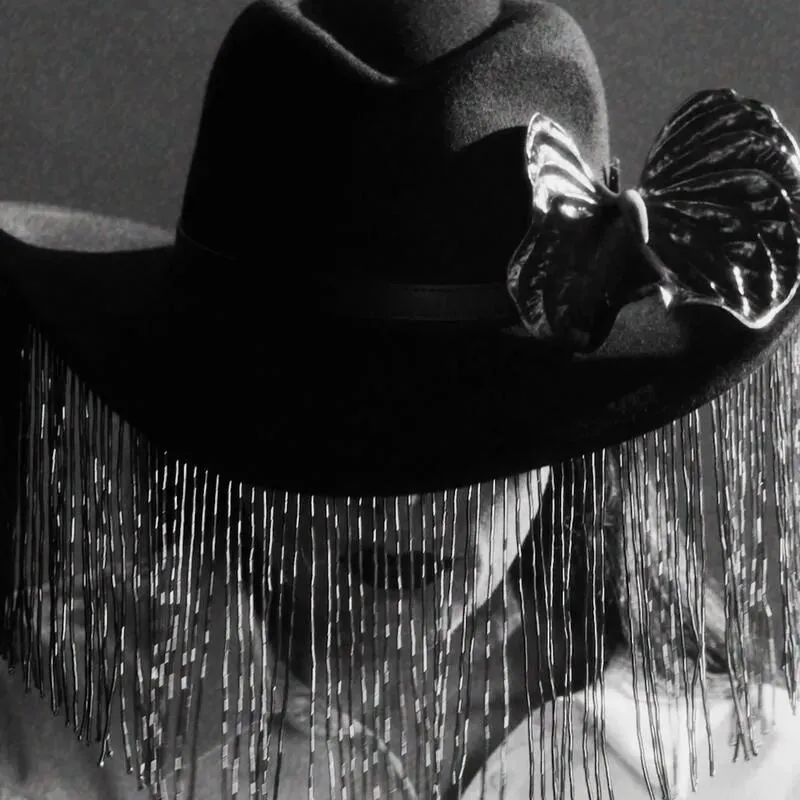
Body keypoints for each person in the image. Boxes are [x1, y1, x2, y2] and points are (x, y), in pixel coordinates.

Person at [1, 1, 800, 798]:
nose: (410, 501)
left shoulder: (727, 758)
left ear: (571, 434)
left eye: (480, 423)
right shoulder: (50, 731)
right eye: (333, 414)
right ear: (215, 407)